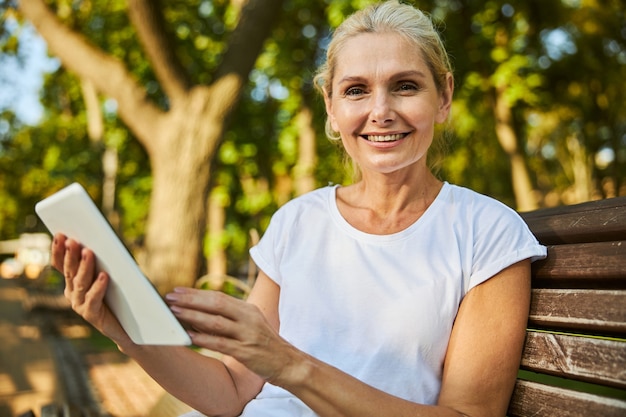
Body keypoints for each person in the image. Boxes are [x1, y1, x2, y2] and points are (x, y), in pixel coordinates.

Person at [51, 1, 547, 416]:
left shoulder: (487, 231)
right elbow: (230, 390)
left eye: (405, 85)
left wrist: (290, 365)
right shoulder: (298, 220)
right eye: (356, 90)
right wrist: (124, 332)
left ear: (443, 97)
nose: (381, 111)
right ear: (331, 109)